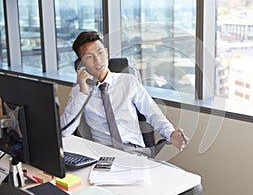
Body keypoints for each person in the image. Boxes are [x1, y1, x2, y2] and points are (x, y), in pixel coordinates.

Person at [60, 31, 202, 194]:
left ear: (106, 52)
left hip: (136, 156)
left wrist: (170, 134)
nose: (98, 61)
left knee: (193, 189)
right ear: (82, 64)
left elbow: (153, 114)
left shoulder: (128, 82)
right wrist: (82, 92)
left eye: (99, 52)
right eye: (89, 57)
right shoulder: (80, 92)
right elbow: (65, 131)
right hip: (104, 160)